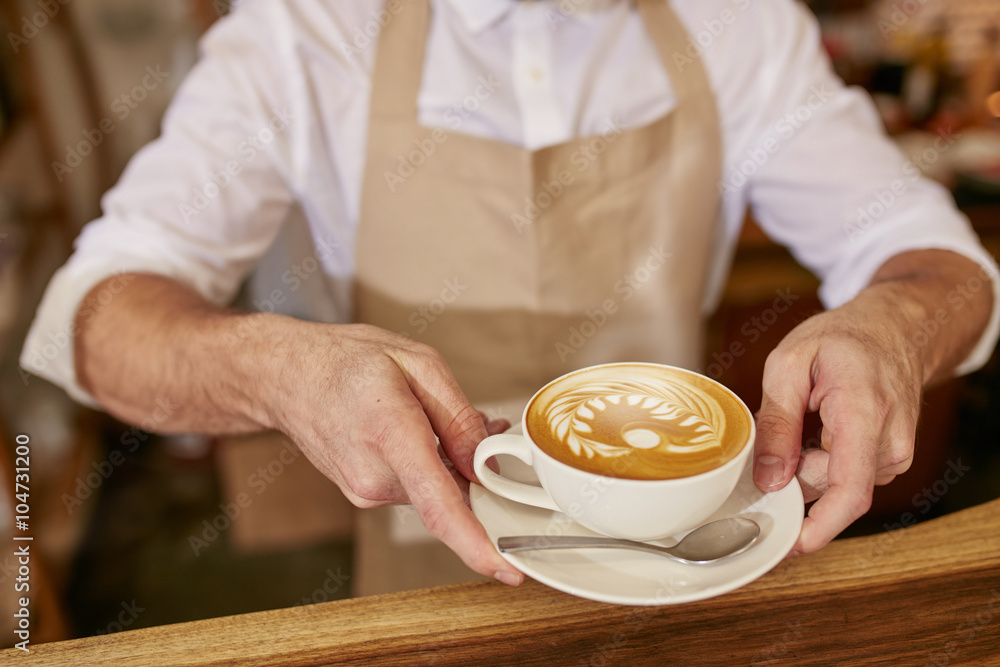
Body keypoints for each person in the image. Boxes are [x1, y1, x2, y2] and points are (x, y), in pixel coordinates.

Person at [22, 0, 999, 588]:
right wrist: (274, 367)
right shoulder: (306, 29)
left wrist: (899, 322)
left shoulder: (733, 22)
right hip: (426, 560)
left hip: (681, 543)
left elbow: (926, 254)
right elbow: (95, 313)